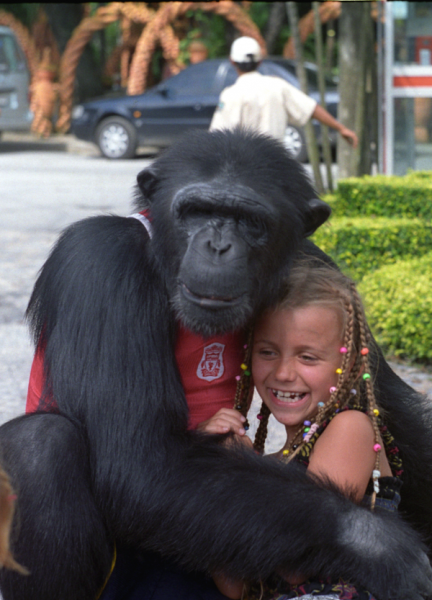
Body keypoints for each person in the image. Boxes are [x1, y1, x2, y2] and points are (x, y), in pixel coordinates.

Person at [201, 258, 403, 599]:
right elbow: (234, 585)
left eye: (307, 357)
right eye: (268, 352)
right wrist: (213, 470)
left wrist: (239, 472)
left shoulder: (350, 429)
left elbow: (296, 561)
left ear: (348, 362)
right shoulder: (278, 461)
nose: (283, 372)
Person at [210, 36, 358, 150]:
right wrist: (341, 128)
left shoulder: (230, 94)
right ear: (260, 61)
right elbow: (311, 108)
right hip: (275, 165)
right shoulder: (278, 86)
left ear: (232, 61)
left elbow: (217, 135)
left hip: (244, 167)